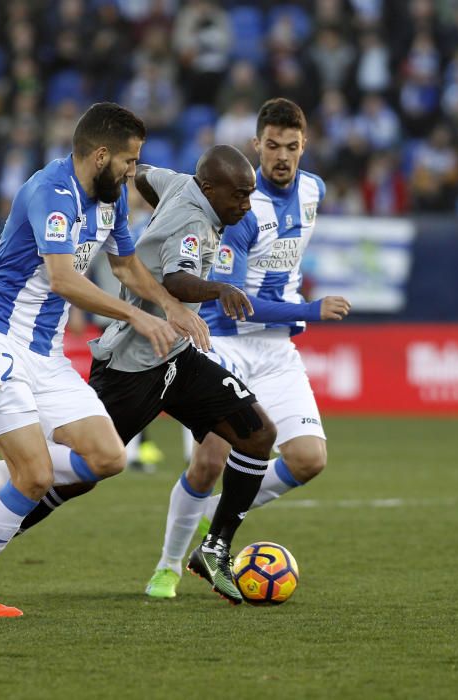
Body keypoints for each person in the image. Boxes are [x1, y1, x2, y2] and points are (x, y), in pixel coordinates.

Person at [0, 142, 307, 610]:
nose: (246, 205)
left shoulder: (174, 184)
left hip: (176, 357)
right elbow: (177, 278)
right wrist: (216, 286)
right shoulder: (192, 222)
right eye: (239, 195)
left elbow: (145, 179)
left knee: (258, 434)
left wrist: (156, 214)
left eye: (249, 195)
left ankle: (215, 546)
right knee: (71, 476)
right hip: (132, 366)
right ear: (210, 188)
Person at [0, 102, 210, 618]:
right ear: (101, 155)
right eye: (129, 162)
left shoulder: (108, 201)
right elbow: (62, 279)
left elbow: (126, 265)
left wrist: (170, 307)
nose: (134, 173)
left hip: (45, 355)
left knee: (109, 458)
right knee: (35, 476)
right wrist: (137, 318)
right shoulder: (50, 191)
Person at [145, 97, 351, 599]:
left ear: (305, 146)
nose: (283, 156)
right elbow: (239, 303)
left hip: (277, 354)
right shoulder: (242, 209)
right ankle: (168, 566)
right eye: (273, 145)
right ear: (256, 144)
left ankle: (214, 529)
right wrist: (310, 309)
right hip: (226, 346)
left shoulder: (312, 190)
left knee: (308, 460)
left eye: (293, 146)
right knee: (209, 463)